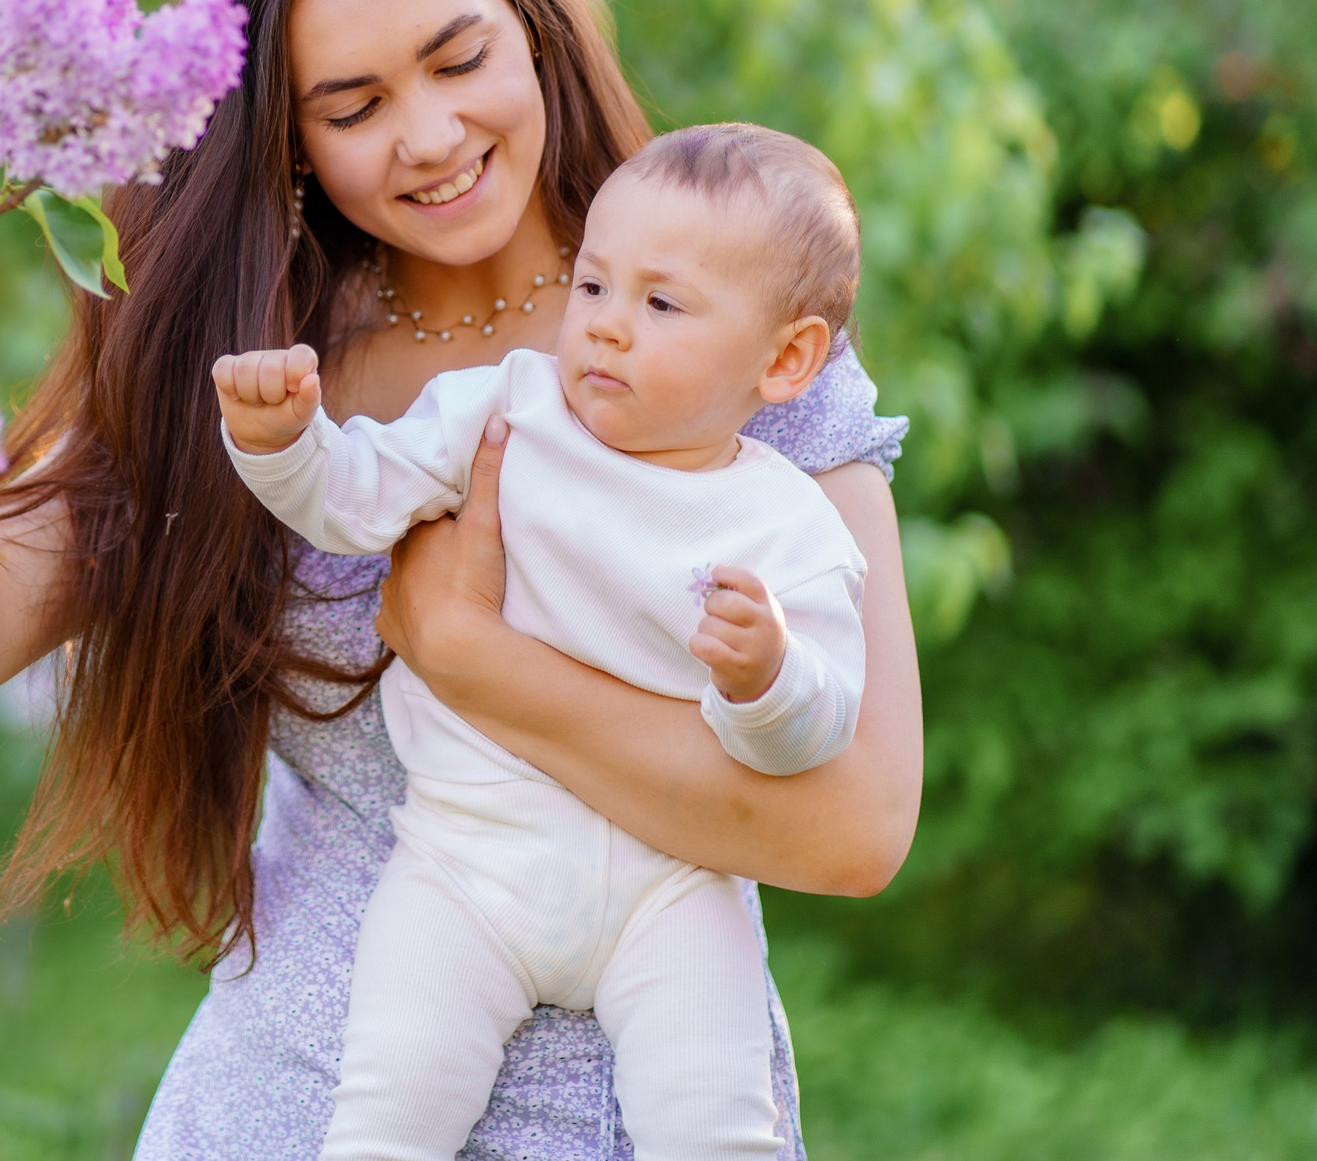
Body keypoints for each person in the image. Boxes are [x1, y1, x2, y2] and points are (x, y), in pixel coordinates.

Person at [0, 0, 922, 1159]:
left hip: (634, 1116)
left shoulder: (730, 340)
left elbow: (854, 826)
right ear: (284, 138)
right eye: (354, 107)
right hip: (293, 1106)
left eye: (461, 61)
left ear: (533, 34)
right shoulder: (261, 374)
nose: (434, 134)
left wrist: (467, 652)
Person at [217, 124, 873, 1160]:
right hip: (466, 860)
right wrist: (281, 446)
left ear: (785, 358)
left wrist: (769, 678)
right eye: (593, 289)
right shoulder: (507, 410)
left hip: (675, 882)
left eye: (660, 304)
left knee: (717, 1124)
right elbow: (350, 500)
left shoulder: (786, 524)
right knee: (388, 1112)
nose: (607, 328)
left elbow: (821, 726)